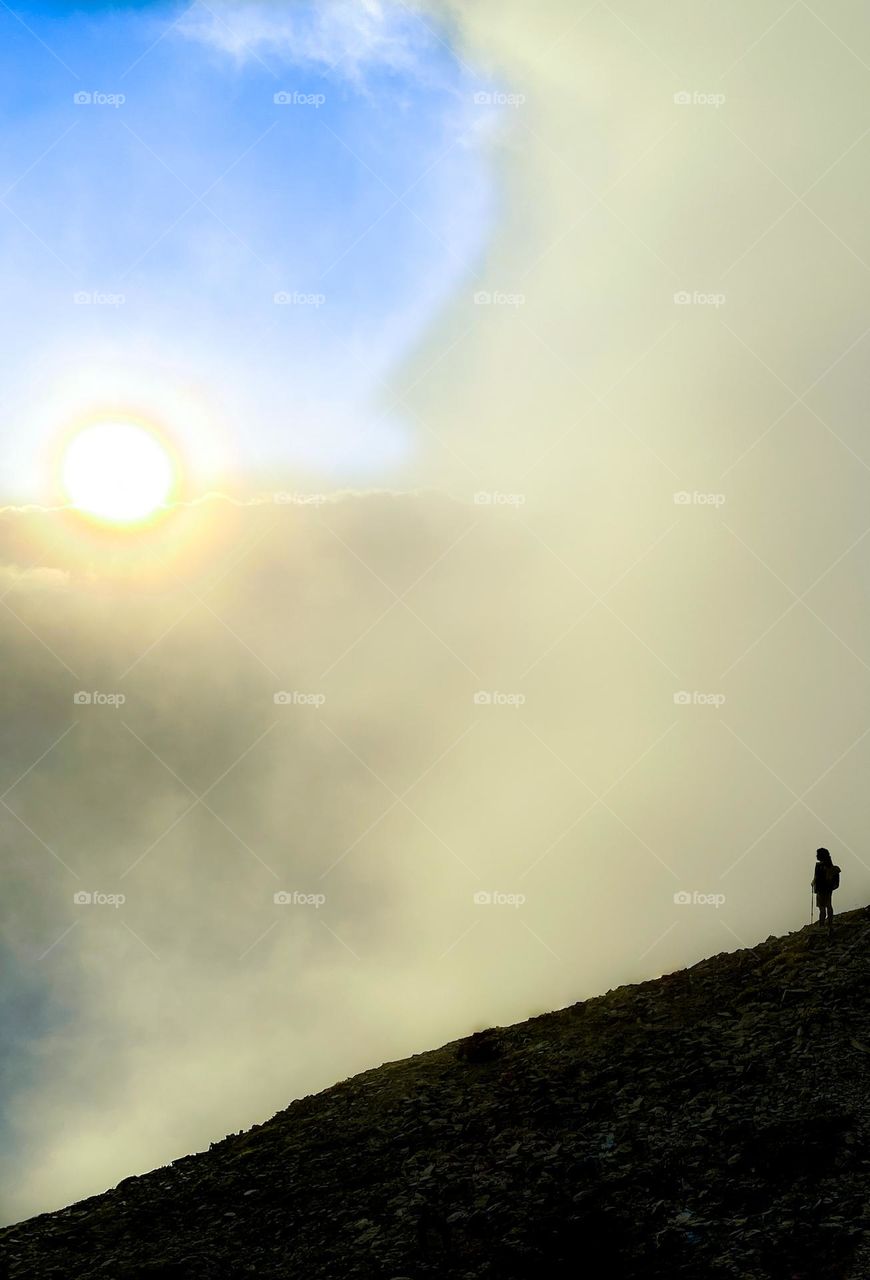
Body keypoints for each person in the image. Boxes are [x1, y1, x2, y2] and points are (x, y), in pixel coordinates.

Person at [812, 847, 840, 930]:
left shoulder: (820, 866)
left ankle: (822, 925)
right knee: (828, 905)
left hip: (821, 889)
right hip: (828, 889)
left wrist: (814, 883)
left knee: (822, 907)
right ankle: (829, 924)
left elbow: (817, 877)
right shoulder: (829, 865)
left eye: (817, 854)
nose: (816, 856)